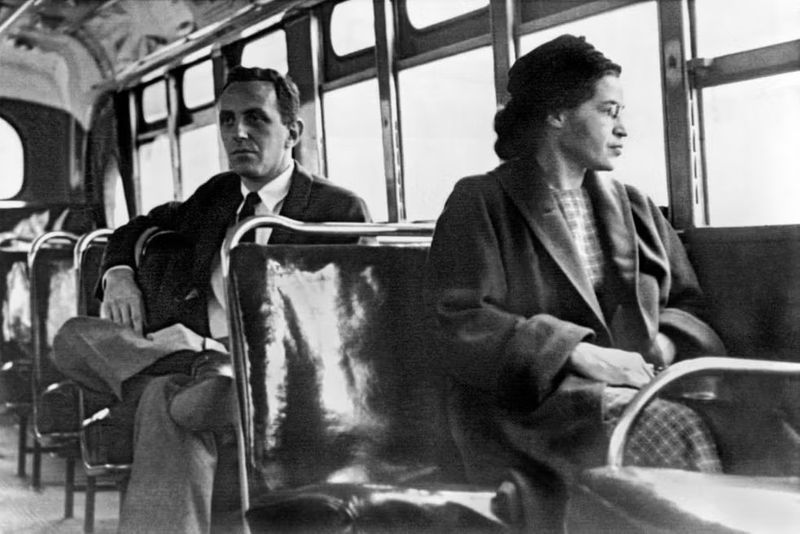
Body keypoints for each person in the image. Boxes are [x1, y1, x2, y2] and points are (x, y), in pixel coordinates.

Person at [424, 35, 726, 530]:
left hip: (640, 385)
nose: (624, 128)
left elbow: (687, 306)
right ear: (556, 115)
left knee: (756, 416)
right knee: (669, 426)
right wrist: (577, 353)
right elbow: (459, 322)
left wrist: (659, 350)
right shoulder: (480, 201)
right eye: (609, 111)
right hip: (532, 407)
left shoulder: (635, 206)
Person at [53, 66, 370, 533]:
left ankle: (191, 366)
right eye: (226, 120)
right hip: (197, 364)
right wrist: (119, 274)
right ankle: (190, 363)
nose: (237, 132)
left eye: (256, 119)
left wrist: (212, 351)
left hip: (274, 377)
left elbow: (341, 332)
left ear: (292, 132)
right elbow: (135, 228)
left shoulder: (336, 210)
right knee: (72, 338)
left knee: (167, 402)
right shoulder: (218, 196)